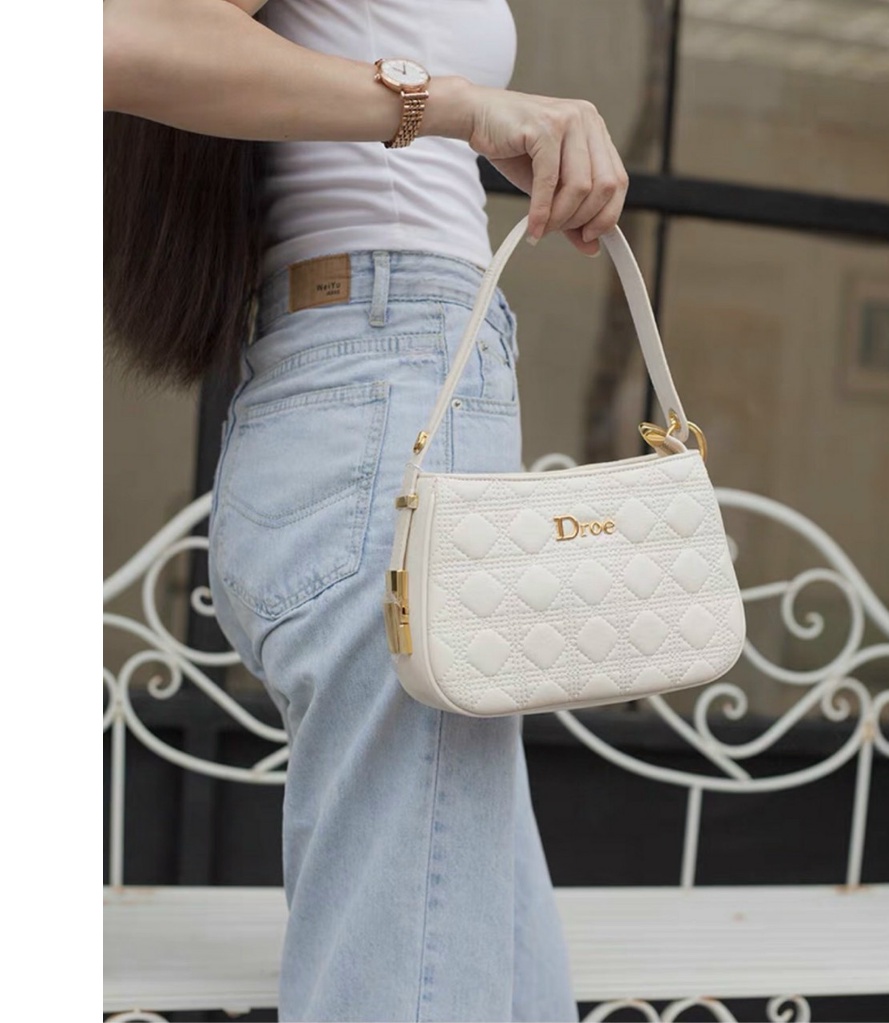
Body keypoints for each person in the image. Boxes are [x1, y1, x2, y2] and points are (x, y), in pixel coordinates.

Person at [104, 2, 629, 1020]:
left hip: (382, 396)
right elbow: (117, 37)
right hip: (387, 393)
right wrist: (460, 108)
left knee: (497, 982)